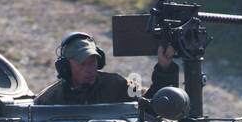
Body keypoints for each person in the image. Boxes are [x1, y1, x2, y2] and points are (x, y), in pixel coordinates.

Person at [36, 32, 179, 106]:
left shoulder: (118, 85)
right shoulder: (49, 100)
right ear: (66, 67)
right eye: (82, 64)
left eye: (92, 62)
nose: (89, 69)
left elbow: (153, 102)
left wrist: (164, 67)